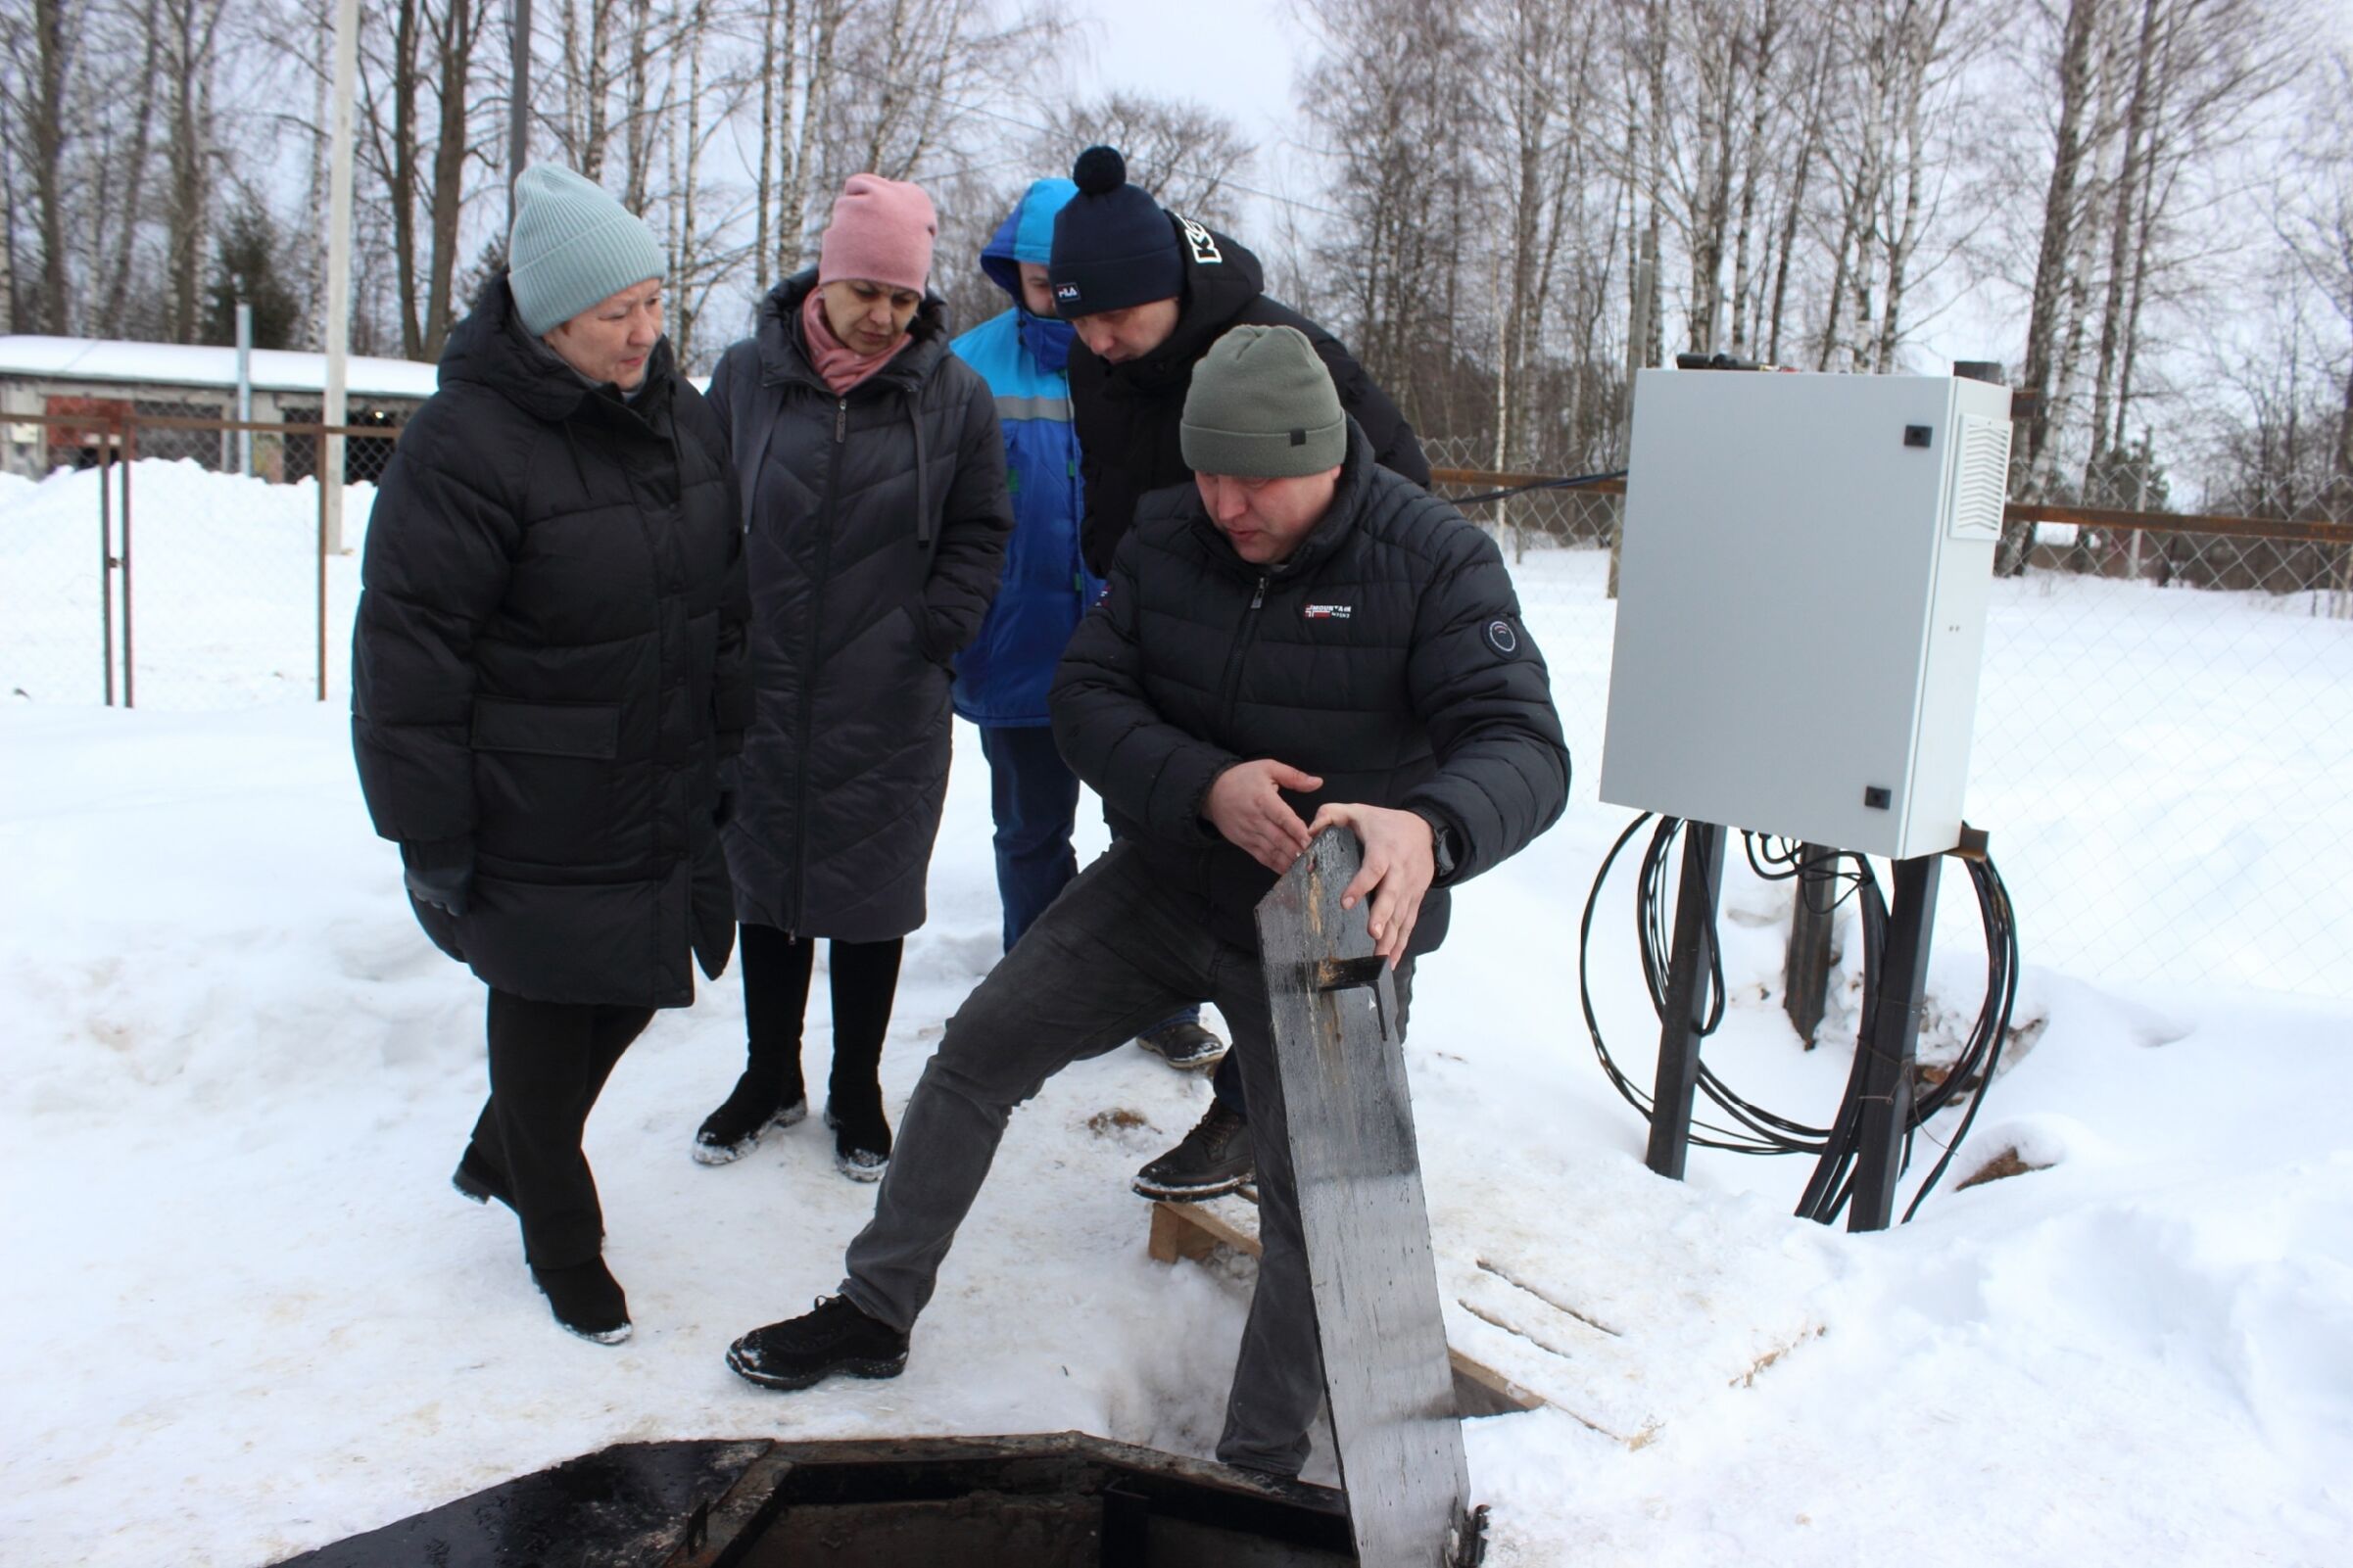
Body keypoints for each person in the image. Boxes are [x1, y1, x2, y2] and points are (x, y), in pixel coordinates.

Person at [722, 325, 1569, 1481]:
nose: (1225, 503)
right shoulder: (1170, 534)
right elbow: (1086, 692)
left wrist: (1427, 824)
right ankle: (874, 1306)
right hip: (1169, 877)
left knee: (1311, 1194)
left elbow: (1521, 739)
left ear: (1324, 455)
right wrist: (1201, 785)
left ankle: (1256, 1463)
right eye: (1206, 471)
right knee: (975, 1051)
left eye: (1253, 478)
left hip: (1332, 921)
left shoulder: (1432, 558)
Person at [351, 163, 750, 1346]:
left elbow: (722, 592)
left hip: (656, 763)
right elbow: (409, 653)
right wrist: (430, 827)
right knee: (537, 1006)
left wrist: (725, 731)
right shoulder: (463, 445)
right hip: (528, 784)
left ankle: (498, 1149)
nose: (643, 332)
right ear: (544, 319)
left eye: (653, 301)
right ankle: (559, 1236)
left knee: (627, 982)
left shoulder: (677, 412)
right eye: (612, 313)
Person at [1046, 143, 1433, 1197]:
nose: (1093, 340)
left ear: (1166, 287)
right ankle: (1253, 1098)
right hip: (1171, 649)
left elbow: (1405, 507)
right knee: (1178, 867)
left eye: (1111, 316)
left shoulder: (1284, 354)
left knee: (1310, 902)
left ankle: (1275, 1120)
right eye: (1074, 319)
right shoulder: (1101, 353)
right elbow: (1118, 488)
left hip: (1311, 661)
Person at [690, 173, 1012, 1182]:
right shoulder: (745, 377)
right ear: (824, 279)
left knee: (870, 895)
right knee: (764, 883)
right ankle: (767, 1075)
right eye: (865, 291)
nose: (881, 317)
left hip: (888, 690)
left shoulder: (951, 394)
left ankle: (854, 1087)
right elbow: (695, 504)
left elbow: (980, 527)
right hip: (762, 684)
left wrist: (934, 629)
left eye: (902, 299)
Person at [944, 177, 1099, 955]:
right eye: (1045, 285)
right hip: (1015, 644)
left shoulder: (1139, 361)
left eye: (1075, 283)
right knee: (1031, 830)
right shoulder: (963, 370)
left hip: (1129, 651)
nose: (1063, 300)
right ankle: (1033, 993)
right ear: (1016, 277)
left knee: (1151, 827)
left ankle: (1158, 1001)